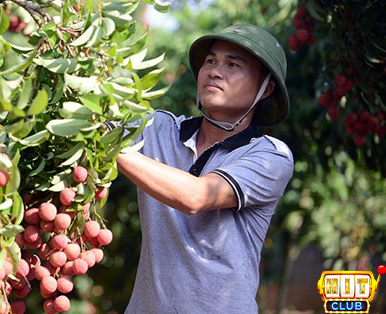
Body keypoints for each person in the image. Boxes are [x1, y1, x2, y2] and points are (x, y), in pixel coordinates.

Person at [111, 24, 294, 313]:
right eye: (211, 61)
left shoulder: (270, 155)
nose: (215, 71)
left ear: (266, 89)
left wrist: (106, 149)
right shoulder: (159, 128)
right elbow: (95, 121)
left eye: (232, 64)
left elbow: (196, 197)